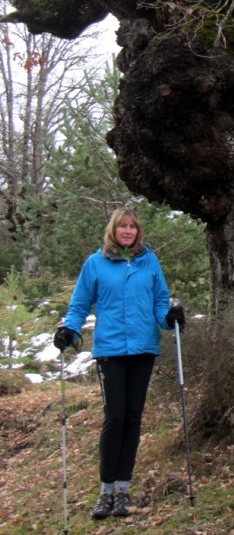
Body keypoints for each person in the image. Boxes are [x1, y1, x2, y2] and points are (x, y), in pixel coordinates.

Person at [53, 206, 185, 520]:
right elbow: (80, 304)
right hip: (111, 350)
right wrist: (68, 331)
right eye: (122, 226)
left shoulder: (149, 262)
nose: (127, 231)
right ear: (113, 231)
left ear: (138, 232)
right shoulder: (95, 264)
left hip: (143, 349)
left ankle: (123, 489)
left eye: (132, 227)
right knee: (115, 416)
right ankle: (105, 492)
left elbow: (159, 302)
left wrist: (170, 318)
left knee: (133, 417)